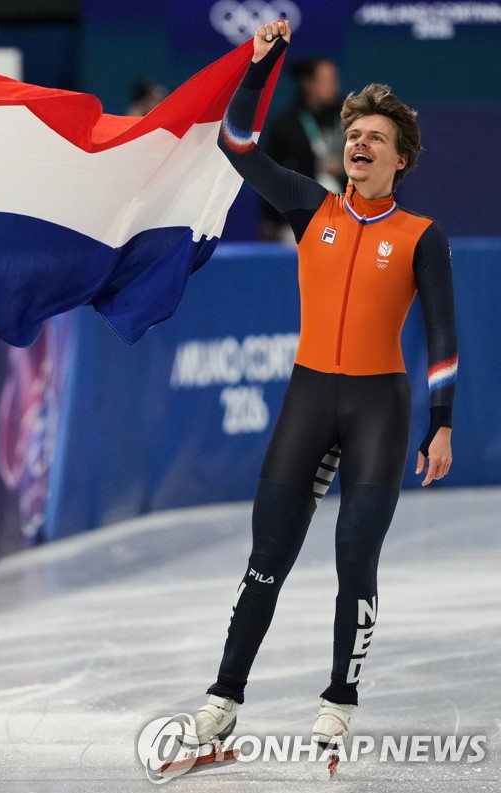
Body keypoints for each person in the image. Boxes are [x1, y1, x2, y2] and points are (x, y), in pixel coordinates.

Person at [181, 19, 457, 755]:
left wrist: (442, 422)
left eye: (375, 138)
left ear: (400, 158)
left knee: (354, 560)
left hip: (378, 408)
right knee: (265, 559)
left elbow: (442, 335)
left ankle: (339, 700)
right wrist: (258, 63)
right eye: (353, 134)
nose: (359, 143)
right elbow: (235, 143)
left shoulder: (422, 235)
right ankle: (223, 698)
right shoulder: (313, 207)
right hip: (308, 399)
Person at [260, 55, 346, 240]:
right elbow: (269, 176)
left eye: (335, 80)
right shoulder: (285, 126)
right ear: (308, 84)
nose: (334, 86)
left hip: (346, 215)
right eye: (327, 80)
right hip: (298, 218)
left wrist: (342, 171)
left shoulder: (348, 122)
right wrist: (270, 219)